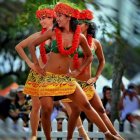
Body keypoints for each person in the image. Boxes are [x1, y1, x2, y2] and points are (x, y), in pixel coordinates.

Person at [26, 2, 122, 140]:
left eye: (59, 16)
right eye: (56, 15)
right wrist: (36, 65)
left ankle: (108, 135)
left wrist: (77, 71)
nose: (56, 18)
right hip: (49, 78)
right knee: (46, 111)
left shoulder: (80, 37)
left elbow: (90, 56)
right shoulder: (53, 32)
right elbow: (31, 45)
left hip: (66, 79)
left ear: (69, 17)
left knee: (86, 105)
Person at [61, 9, 124, 140]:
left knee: (101, 110)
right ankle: (107, 136)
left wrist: (96, 77)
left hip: (87, 83)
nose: (78, 25)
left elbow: (102, 61)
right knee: (76, 113)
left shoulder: (95, 43)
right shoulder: (70, 39)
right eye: (77, 22)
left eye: (81, 23)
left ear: (88, 25)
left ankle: (116, 136)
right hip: (73, 84)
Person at [15, 4, 55, 140]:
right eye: (40, 18)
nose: (42, 21)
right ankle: (33, 135)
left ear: (53, 18)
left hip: (53, 74)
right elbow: (19, 47)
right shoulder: (38, 35)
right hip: (38, 73)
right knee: (36, 106)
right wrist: (30, 63)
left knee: (64, 105)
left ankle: (83, 134)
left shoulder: (59, 35)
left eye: (46, 18)